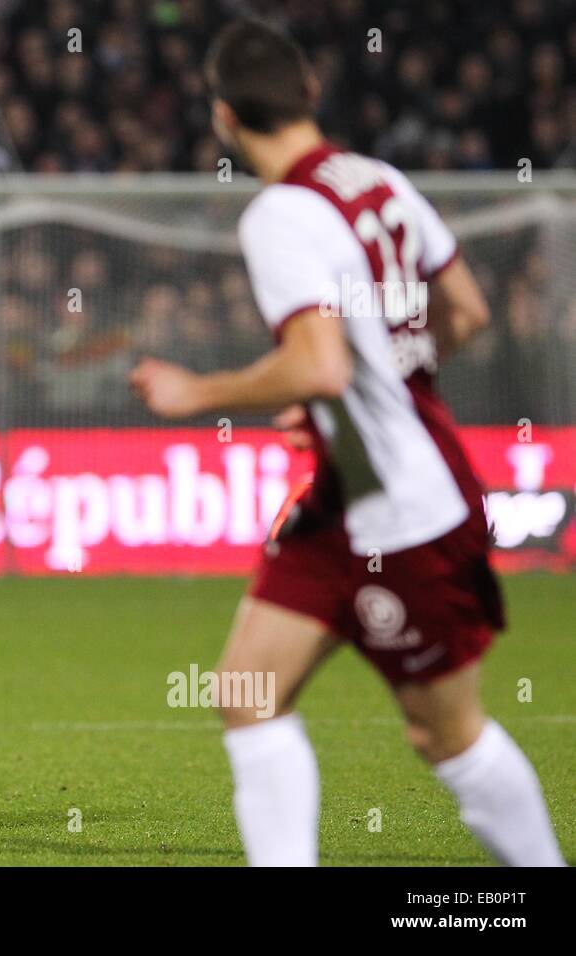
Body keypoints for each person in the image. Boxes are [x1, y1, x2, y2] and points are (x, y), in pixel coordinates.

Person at [131, 20, 564, 866]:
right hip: (346, 498)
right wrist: (380, 377)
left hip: (405, 506)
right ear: (311, 93)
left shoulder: (281, 215)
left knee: (446, 735)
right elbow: (466, 312)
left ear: (223, 118)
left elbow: (319, 366)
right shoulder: (379, 180)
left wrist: (200, 390)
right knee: (246, 692)